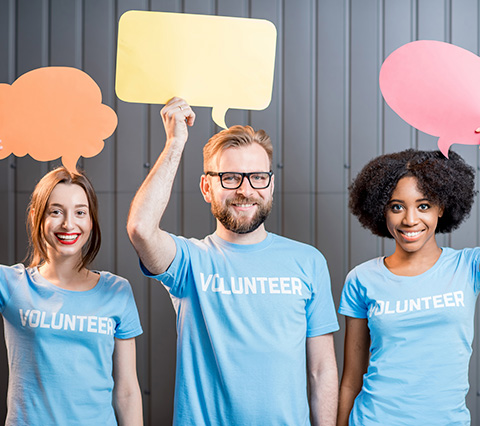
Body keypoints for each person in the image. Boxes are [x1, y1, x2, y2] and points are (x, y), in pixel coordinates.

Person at [127, 97, 339, 425]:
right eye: (230, 177)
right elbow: (141, 228)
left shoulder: (308, 262)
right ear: (206, 187)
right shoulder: (189, 262)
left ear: (271, 185)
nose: (245, 189)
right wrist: (175, 143)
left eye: (257, 177)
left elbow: (321, 370)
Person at [337, 149, 478, 426]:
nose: (410, 220)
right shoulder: (362, 279)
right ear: (382, 210)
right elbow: (351, 380)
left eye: (423, 205)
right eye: (397, 206)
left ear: (442, 207)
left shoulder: (469, 266)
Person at [0, 167, 143, 425]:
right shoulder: (10, 284)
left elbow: (128, 392)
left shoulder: (117, 291)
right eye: (55, 211)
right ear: (35, 217)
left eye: (80, 212)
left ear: (91, 221)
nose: (68, 223)